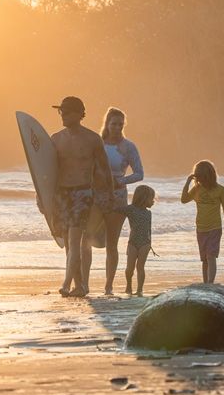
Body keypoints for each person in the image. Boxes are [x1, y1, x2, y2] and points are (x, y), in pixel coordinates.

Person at [50, 96, 112, 298]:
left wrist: (108, 196)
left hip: (83, 192)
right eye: (61, 112)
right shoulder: (56, 139)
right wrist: (41, 198)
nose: (63, 115)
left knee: (75, 240)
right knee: (68, 243)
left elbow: (104, 169)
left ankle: (66, 284)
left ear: (79, 114)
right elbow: (46, 173)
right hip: (62, 194)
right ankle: (81, 286)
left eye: (67, 112)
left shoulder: (93, 139)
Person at [82, 107, 144, 295]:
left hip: (117, 198)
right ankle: (84, 284)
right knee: (87, 239)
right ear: (107, 124)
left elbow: (139, 173)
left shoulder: (128, 146)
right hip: (96, 196)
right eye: (113, 124)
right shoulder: (97, 143)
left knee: (112, 243)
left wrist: (121, 180)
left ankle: (108, 286)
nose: (117, 127)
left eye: (120, 124)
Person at [180, 160, 224, 284]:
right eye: (198, 178)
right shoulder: (197, 189)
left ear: (209, 176)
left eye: (202, 177)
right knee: (204, 259)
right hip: (201, 228)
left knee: (211, 256)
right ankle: (205, 284)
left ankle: (210, 283)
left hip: (215, 227)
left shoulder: (220, 190)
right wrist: (187, 183)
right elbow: (183, 200)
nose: (200, 180)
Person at [117, 184, 155, 296]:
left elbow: (149, 229)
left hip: (145, 243)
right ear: (143, 198)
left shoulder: (149, 213)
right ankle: (128, 286)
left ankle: (139, 290)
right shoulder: (130, 209)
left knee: (140, 267)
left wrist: (150, 244)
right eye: (151, 198)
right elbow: (117, 209)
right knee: (130, 268)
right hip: (132, 242)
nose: (153, 201)